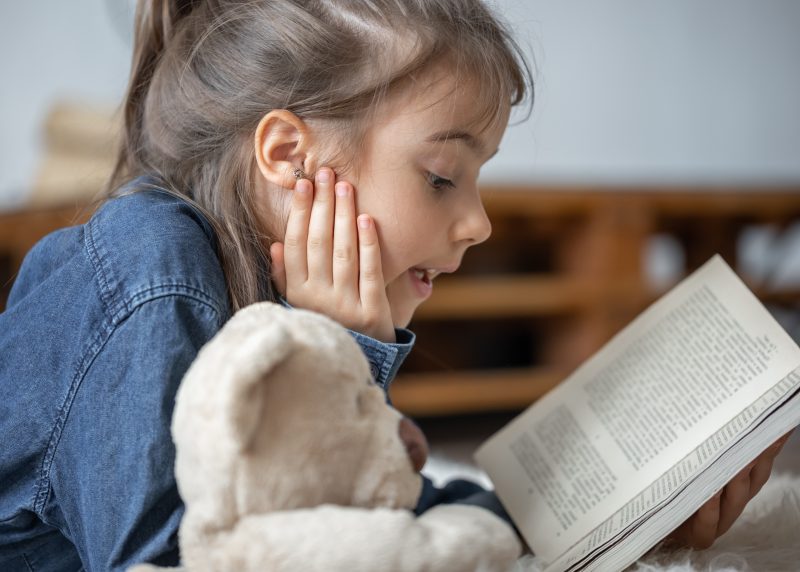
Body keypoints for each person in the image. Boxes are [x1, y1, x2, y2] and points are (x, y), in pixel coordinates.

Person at [0, 1, 790, 570]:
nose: (477, 222)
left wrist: (624, 521)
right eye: (443, 176)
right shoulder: (151, 273)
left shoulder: (280, 301)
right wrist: (334, 355)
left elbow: (366, 517)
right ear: (289, 156)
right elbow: (186, 556)